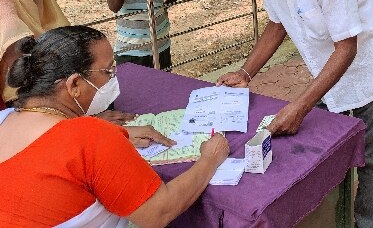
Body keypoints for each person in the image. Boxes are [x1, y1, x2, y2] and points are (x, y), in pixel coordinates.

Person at [217, 0, 373, 228]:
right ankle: (332, 217)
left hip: (366, 70)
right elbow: (276, 24)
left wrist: (299, 106)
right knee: (327, 151)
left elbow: (347, 47)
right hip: (326, 74)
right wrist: (246, 73)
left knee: (370, 154)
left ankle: (366, 222)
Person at [0, 26, 230, 227]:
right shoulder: (91, 137)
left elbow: (45, 152)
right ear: (75, 84)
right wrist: (210, 160)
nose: (113, 78)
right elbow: (160, 212)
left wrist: (117, 134)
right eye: (107, 71)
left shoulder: (6, 118)